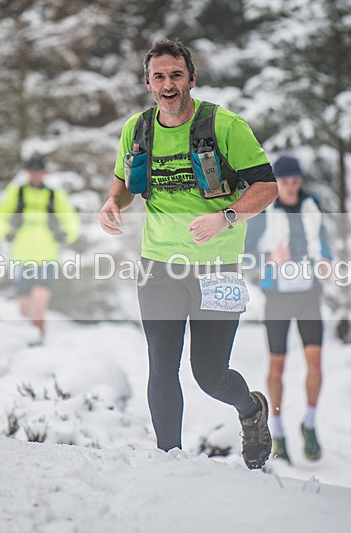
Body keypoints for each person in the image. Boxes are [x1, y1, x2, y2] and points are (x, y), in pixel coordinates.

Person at [98, 38, 278, 469]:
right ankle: (169, 462)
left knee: (209, 375)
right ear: (148, 83)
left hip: (219, 268)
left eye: (176, 75)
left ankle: (251, 410)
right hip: (159, 265)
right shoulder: (138, 129)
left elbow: (266, 187)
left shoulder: (225, 125)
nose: (168, 84)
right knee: (161, 366)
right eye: (158, 76)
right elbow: (123, 183)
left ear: (192, 79)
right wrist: (111, 204)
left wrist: (227, 217)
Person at [245, 155, 331, 464]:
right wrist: (270, 257)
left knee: (316, 364)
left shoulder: (311, 207)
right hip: (278, 296)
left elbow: (323, 243)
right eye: (285, 182)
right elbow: (245, 256)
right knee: (278, 366)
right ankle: (277, 430)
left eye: (296, 181)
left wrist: (326, 262)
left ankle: (309, 424)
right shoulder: (264, 213)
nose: (291, 188)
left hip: (308, 294)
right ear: (276, 183)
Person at [0, 155, 80, 347]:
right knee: (23, 304)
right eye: (32, 171)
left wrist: (68, 235)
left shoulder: (53, 195)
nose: (35, 175)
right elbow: (0, 214)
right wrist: (4, 233)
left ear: (44, 173)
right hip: (22, 252)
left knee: (40, 299)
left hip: (47, 252)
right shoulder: (17, 192)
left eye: (38, 171)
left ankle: (39, 338)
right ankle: (25, 339)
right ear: (27, 172)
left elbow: (70, 217)